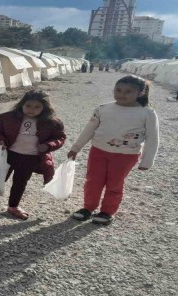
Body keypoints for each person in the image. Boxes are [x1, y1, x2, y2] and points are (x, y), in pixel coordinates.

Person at [68, 75, 159, 225]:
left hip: (126, 155)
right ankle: (88, 208)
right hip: (98, 151)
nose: (122, 94)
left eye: (128, 91)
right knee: (93, 181)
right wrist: (75, 148)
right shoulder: (102, 108)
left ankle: (107, 212)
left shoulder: (147, 112)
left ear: (140, 93)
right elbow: (89, 129)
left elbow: (152, 137)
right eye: (118, 90)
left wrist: (147, 161)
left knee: (114, 183)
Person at [0, 90, 66, 220]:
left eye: (37, 107)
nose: (31, 110)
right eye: (28, 106)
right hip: (7, 155)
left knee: (20, 183)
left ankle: (13, 207)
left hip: (30, 158)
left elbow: (60, 137)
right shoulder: (7, 118)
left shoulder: (51, 123)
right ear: (22, 104)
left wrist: (48, 146)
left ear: (45, 108)